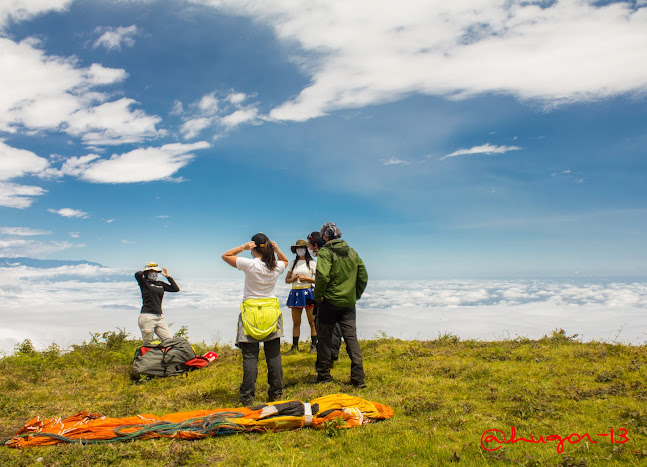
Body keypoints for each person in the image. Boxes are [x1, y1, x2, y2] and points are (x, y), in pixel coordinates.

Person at [222, 233, 289, 406]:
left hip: (251, 312)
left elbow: (226, 256)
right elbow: (286, 261)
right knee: (273, 356)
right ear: (268, 247)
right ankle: (276, 393)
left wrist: (243, 248)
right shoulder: (276, 267)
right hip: (271, 313)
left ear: (254, 247)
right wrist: (277, 250)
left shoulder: (249, 264)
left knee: (250, 357)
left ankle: (247, 397)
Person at [314, 222, 368, 388]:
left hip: (329, 302)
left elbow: (322, 275)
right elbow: (363, 276)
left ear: (325, 237)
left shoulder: (325, 252)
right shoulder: (352, 252)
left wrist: (319, 295)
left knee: (324, 339)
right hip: (348, 304)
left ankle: (324, 375)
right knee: (351, 338)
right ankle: (358, 378)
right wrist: (355, 295)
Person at [307, 231, 343, 364]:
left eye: (309, 246)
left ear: (316, 245)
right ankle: (333, 354)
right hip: (339, 295)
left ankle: (327, 360)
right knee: (336, 328)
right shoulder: (335, 253)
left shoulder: (324, 255)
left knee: (325, 328)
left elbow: (322, 278)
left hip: (327, 297)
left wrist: (318, 296)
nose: (309, 249)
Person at [284, 239, 317, 354]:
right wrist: (293, 279)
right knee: (296, 322)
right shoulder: (293, 263)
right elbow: (286, 280)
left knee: (312, 321)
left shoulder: (312, 263)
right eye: (298, 248)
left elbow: (318, 280)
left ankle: (314, 346)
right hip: (296, 293)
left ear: (306, 249)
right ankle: (295, 346)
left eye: (302, 248)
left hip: (308, 292)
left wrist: (306, 279)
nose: (300, 250)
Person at [134, 262, 180, 344]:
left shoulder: (160, 284)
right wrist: (147, 269)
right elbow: (137, 274)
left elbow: (175, 289)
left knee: (169, 341)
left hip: (159, 317)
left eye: (156, 272)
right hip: (147, 316)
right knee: (148, 344)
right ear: (147, 273)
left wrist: (168, 277)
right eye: (151, 272)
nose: (154, 274)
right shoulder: (144, 283)